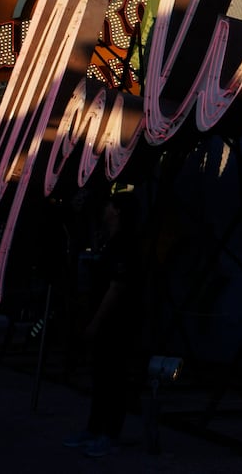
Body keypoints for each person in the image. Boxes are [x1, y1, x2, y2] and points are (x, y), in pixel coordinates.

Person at [63, 188, 147, 458]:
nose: (105, 209)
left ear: (118, 211)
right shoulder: (112, 242)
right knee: (101, 377)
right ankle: (95, 430)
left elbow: (117, 287)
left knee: (113, 378)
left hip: (117, 323)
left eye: (110, 205)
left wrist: (96, 321)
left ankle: (109, 435)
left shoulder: (124, 243)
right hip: (107, 320)